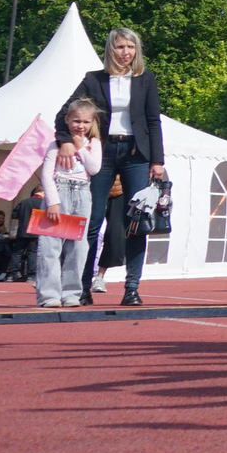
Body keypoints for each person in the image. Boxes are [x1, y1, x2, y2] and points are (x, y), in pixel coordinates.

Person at [55, 29, 164, 307]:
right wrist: (66, 141)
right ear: (110, 49)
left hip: (136, 153)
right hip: (100, 153)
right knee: (91, 221)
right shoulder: (94, 79)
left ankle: (131, 288)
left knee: (136, 222)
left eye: (130, 47)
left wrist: (157, 161)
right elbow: (65, 113)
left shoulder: (145, 79)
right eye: (119, 47)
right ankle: (81, 287)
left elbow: (154, 122)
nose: (125, 52)